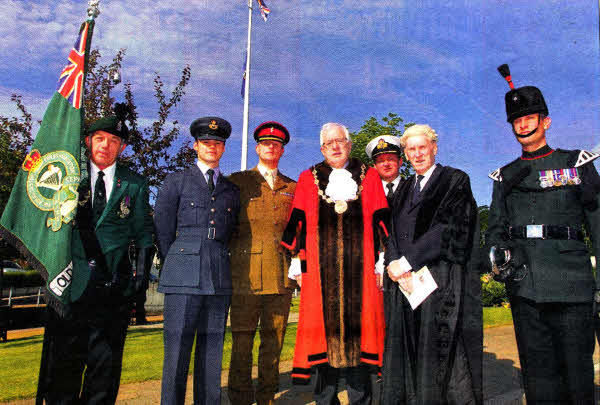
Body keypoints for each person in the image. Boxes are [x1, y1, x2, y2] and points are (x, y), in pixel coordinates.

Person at [486, 64, 600, 404]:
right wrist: (498, 256)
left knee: (577, 380)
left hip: (572, 285)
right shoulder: (505, 177)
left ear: (545, 121)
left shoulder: (577, 164)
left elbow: (597, 225)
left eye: (529, 117)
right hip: (526, 287)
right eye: (516, 121)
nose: (522, 124)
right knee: (538, 381)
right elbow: (495, 228)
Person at [37, 106, 155, 404]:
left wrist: (139, 282)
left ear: (123, 147)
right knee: (63, 368)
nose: (106, 145)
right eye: (100, 138)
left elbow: (143, 235)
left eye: (114, 141)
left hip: (111, 290)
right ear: (88, 141)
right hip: (68, 287)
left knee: (104, 371)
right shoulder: (66, 176)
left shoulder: (135, 183)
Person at [280, 123, 389, 405]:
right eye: (330, 143)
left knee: (360, 340)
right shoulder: (308, 178)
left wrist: (382, 260)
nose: (336, 146)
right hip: (318, 272)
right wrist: (297, 263)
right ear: (322, 149)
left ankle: (361, 401)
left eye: (341, 141)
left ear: (349, 144)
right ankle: (326, 401)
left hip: (362, 273)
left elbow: (381, 219)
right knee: (322, 343)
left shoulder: (371, 176)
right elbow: (297, 224)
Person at [382, 124, 482, 404]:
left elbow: (448, 228)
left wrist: (407, 261)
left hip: (439, 280)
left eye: (422, 147)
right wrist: (392, 264)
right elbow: (391, 232)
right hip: (405, 285)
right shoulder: (402, 190)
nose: (417, 154)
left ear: (434, 148)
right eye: (411, 149)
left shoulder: (454, 180)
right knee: (410, 352)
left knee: (442, 354)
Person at [154, 117, 240, 405]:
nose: (212, 147)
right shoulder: (176, 181)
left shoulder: (230, 190)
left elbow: (232, 232)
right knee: (177, 351)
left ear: (224, 148)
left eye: (217, 143)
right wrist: (177, 262)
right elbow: (163, 230)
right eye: (206, 142)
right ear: (195, 145)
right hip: (182, 275)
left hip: (217, 276)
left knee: (212, 351)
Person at [227, 121, 297, 405]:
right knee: (242, 343)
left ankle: (266, 396)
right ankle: (240, 398)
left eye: (276, 144)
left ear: (281, 151)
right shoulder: (237, 182)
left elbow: (299, 230)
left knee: (274, 343)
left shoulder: (292, 187)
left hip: (281, 278)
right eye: (266, 143)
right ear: (257, 148)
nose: (271, 147)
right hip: (245, 277)